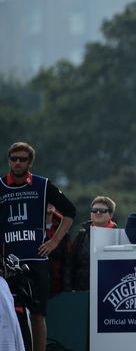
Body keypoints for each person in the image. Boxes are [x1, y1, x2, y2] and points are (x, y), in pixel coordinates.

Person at [0, 142, 76, 351]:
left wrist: (54, 241)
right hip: (6, 261)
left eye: (22, 159)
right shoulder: (0, 185)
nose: (17, 163)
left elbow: (70, 211)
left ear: (30, 162)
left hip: (36, 259)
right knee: (8, 312)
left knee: (37, 313)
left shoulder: (42, 185)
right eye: (13, 158)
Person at [63, 196, 118, 291]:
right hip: (82, 292)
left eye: (102, 210)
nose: (98, 213)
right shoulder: (82, 236)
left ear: (110, 215)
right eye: (94, 210)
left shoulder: (118, 236)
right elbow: (70, 265)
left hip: (110, 292)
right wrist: (69, 290)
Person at [44, 204, 72, 297]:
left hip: (59, 288)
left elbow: (68, 261)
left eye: (53, 201)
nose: (50, 204)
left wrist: (67, 290)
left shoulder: (64, 229)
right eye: (47, 200)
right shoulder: (30, 227)